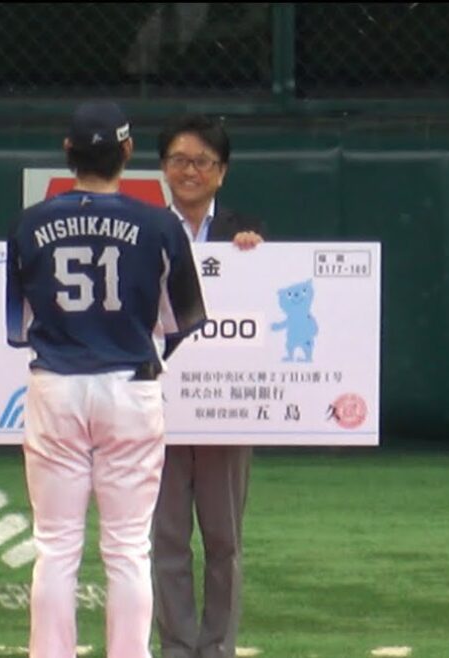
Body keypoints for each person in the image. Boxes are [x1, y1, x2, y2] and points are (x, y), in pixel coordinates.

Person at [6, 101, 207, 658]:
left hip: (58, 383)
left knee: (55, 547)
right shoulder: (160, 224)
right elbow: (181, 322)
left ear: (68, 151)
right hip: (129, 383)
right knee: (128, 549)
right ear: (127, 151)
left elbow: (19, 327)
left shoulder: (28, 224)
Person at [151, 114, 263, 658]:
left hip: (225, 410)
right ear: (163, 167)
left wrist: (257, 255)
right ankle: (176, 646)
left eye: (201, 162)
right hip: (159, 408)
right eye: (179, 160)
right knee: (166, 539)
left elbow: (264, 306)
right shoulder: (144, 229)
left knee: (224, 541)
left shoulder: (248, 234)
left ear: (222, 171)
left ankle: (217, 647)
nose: (189, 171)